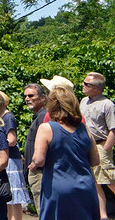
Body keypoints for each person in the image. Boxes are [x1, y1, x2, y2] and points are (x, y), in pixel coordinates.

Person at [29, 86, 100, 220]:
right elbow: (95, 160)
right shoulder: (84, 129)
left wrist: (33, 164)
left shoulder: (46, 128)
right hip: (85, 187)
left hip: (58, 187)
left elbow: (39, 160)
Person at [0, 89, 31, 220]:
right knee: (7, 197)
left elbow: (12, 140)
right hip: (5, 158)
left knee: (14, 197)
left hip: (11, 160)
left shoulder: (8, 117)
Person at [81, 72, 115, 219]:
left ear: (95, 87)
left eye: (86, 84)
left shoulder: (107, 104)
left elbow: (113, 129)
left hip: (101, 145)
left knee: (109, 180)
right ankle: (103, 215)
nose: (82, 85)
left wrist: (105, 149)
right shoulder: (83, 101)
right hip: (86, 146)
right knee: (95, 182)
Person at [22, 82, 48, 209]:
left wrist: (34, 164)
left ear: (43, 98)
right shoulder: (38, 116)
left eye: (31, 96)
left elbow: (45, 144)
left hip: (40, 171)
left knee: (42, 208)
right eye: (26, 96)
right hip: (36, 170)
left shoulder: (43, 116)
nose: (27, 99)